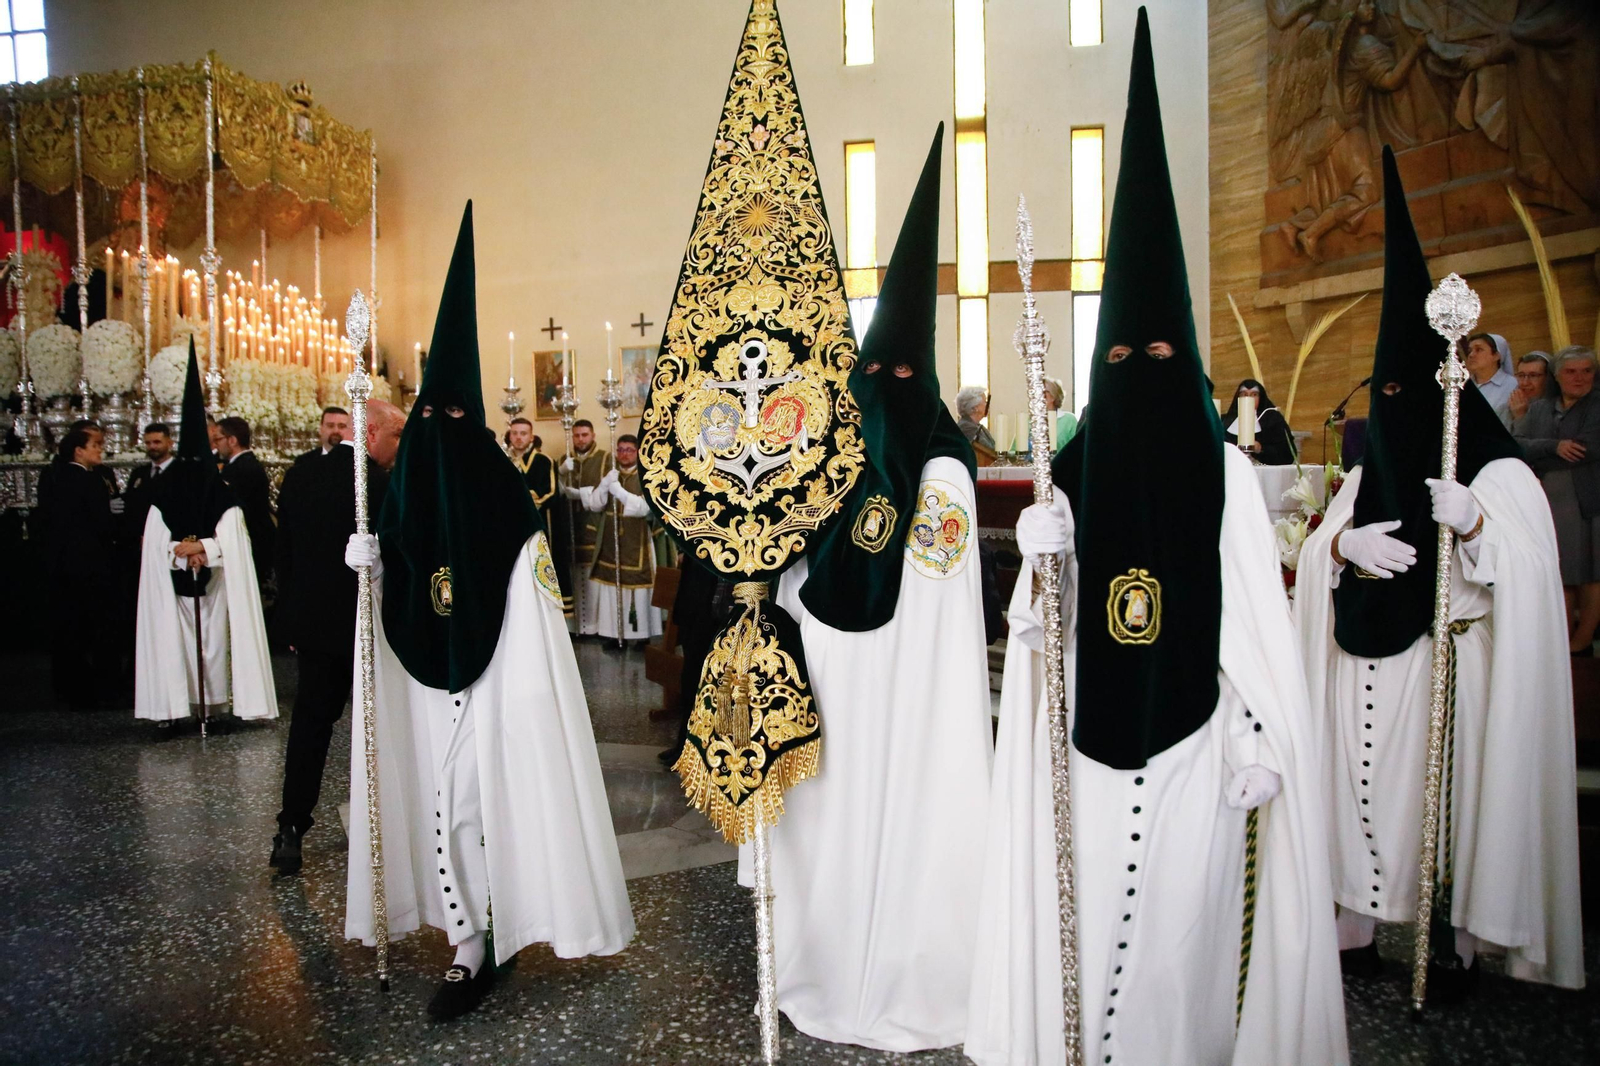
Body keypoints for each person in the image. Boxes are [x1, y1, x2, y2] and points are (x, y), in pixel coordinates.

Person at [967, 14, 1348, 1064]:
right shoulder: (1072, 470)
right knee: (1088, 931)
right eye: (1119, 351)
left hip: (1197, 741)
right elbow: (1041, 637)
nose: (1136, 366)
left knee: (1182, 946)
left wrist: (1259, 740)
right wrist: (1039, 564)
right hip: (1086, 745)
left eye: (1157, 350)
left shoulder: (1220, 469)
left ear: (1186, 358)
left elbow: (1256, 625)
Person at [1296, 149, 1583, 998]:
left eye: (1405, 392)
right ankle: (1351, 936)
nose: (1394, 410)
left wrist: (1479, 523)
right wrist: (1340, 550)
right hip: (1357, 671)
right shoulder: (1366, 470)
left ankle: (1449, 944)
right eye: (1382, 393)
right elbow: (1319, 548)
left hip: (1444, 677)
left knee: (1439, 815)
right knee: (1354, 804)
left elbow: (1532, 571)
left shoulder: (1493, 470)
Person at [732, 125, 994, 1053]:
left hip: (907, 692)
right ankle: (826, 960)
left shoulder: (946, 470)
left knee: (898, 827)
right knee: (828, 829)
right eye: (870, 375)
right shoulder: (833, 447)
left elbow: (935, 586)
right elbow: (798, 549)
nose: (881, 389)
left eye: (900, 376)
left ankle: (900, 969)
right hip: (830, 676)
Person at [343, 204, 632, 1021]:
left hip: (498, 675)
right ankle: (467, 938)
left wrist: (523, 686)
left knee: (480, 805)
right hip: (423, 678)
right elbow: (399, 571)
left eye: (454, 420)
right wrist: (368, 570)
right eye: (429, 419)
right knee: (441, 808)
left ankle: (491, 933)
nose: (441, 433)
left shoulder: (505, 495)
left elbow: (533, 597)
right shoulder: (400, 494)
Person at [268, 399, 402, 876]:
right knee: (381, 726)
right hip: (367, 625)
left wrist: (290, 620)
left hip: (314, 627)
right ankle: (389, 827)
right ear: (371, 434)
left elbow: (282, 552)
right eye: (396, 436)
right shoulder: (382, 484)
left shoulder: (301, 474)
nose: (398, 447)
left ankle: (290, 827)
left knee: (311, 726)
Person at [134, 345, 277, 731]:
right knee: (176, 643)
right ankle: (175, 705)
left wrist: (204, 549)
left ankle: (211, 705)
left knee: (214, 646)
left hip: (216, 587)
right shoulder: (164, 495)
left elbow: (234, 537)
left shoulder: (221, 493)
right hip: (173, 588)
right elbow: (153, 545)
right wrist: (183, 554)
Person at [1513, 344, 1600, 655]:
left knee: (1591, 572)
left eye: (1586, 371)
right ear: (1558, 376)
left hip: (1587, 496)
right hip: (1547, 498)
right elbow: (1518, 445)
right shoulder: (1538, 408)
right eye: (1571, 371)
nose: (1579, 378)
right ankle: (1561, 638)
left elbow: (1587, 448)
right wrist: (1554, 445)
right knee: (1558, 569)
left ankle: (1583, 639)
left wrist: (1543, 450)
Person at [46, 426, 119, 709]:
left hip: (65, 566)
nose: (100, 450)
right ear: (79, 450)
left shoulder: (57, 477)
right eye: (94, 445)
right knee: (94, 628)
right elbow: (102, 524)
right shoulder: (87, 481)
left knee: (70, 629)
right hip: (90, 566)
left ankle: (70, 688)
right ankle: (96, 689)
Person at [572, 433, 661, 643]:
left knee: (637, 589)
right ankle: (614, 634)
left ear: (638, 452)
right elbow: (594, 504)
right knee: (611, 586)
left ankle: (641, 635)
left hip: (636, 541)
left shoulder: (647, 476)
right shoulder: (611, 474)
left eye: (629, 450)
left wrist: (619, 491)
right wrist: (604, 486)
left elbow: (644, 508)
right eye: (620, 450)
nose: (624, 454)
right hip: (611, 542)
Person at [506, 416, 571, 614]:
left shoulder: (544, 461)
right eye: (515, 433)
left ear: (531, 437)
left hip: (537, 524)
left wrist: (521, 502)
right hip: (508, 527)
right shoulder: (503, 459)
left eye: (523, 434)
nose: (518, 438)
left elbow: (550, 492)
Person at [558, 418, 611, 634]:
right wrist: (561, 473)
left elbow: (605, 494)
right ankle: (575, 626)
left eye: (584, 435)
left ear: (593, 436)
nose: (580, 440)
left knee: (592, 579)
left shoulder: (605, 458)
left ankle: (593, 627)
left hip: (594, 525)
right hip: (570, 525)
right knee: (572, 575)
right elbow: (556, 492)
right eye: (577, 436)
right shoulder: (565, 459)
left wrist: (579, 493)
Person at [216, 415, 275, 589]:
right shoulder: (239, 466)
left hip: (250, 541)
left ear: (232, 440)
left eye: (219, 439)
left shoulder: (243, 469)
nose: (216, 444)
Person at [1221, 377, 1296, 464]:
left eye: (1254, 394)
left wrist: (1260, 448)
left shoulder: (1273, 420)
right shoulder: (1224, 421)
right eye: (1244, 394)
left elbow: (1287, 454)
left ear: (1261, 398)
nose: (1248, 398)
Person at [1463, 332, 1516, 420]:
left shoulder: (1512, 385)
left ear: (1496, 356)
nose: (1471, 355)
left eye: (1479, 349)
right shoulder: (1462, 386)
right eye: (1470, 350)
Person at [1506, 350, 1555, 429]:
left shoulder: (1560, 409)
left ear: (1549, 378)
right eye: (1521, 375)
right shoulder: (1513, 406)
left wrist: (1520, 417)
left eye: (1533, 376)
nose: (1525, 383)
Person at [955, 385, 996, 452]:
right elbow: (986, 450)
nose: (987, 405)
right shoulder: (966, 427)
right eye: (985, 402)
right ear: (975, 407)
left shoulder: (979, 427)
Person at [1043, 376, 1078, 451]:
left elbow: (1077, 449)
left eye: (1043, 392)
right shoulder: (1029, 421)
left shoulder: (1069, 420)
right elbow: (1014, 452)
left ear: (1053, 396)